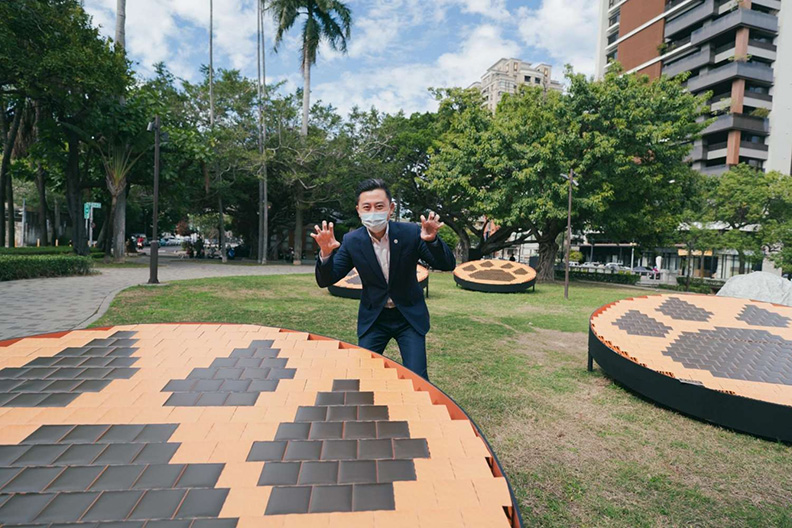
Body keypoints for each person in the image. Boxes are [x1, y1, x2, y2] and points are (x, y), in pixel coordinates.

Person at [312, 179, 456, 379]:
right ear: (358, 210)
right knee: (363, 375)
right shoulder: (352, 241)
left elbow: (447, 264)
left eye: (379, 206)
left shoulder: (411, 233)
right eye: (367, 207)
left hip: (408, 317)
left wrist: (432, 241)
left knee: (418, 378)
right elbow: (326, 279)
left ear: (391, 208)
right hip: (374, 318)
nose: (373, 212)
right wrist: (326, 254)